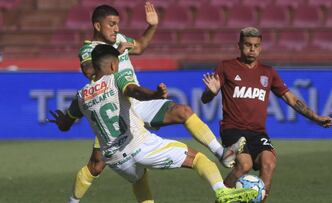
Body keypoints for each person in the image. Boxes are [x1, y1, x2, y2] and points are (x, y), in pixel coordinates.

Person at [68, 3, 245, 203]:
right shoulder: (88, 49)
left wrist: (151, 26)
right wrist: (116, 52)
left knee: (183, 111)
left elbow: (141, 46)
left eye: (118, 24)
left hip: (137, 101)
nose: (116, 29)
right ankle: (73, 200)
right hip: (118, 109)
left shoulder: (121, 39)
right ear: (98, 26)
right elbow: (91, 72)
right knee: (97, 164)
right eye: (111, 24)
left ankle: (222, 152)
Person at [49, 44, 257, 203]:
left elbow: (66, 123)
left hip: (116, 161)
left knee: (139, 180)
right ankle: (222, 192)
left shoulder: (81, 96)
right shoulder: (116, 78)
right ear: (113, 65)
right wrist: (155, 94)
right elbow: (134, 91)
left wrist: (61, 122)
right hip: (140, 146)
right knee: (199, 159)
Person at [201, 27, 332, 203]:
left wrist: (315, 118)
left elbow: (291, 99)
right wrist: (210, 92)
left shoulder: (268, 72)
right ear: (239, 45)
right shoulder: (226, 67)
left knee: (269, 162)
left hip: (258, 132)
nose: (252, 49)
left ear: (261, 47)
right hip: (232, 130)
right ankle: (221, 200)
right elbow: (205, 99)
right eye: (248, 44)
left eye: (256, 45)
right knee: (245, 165)